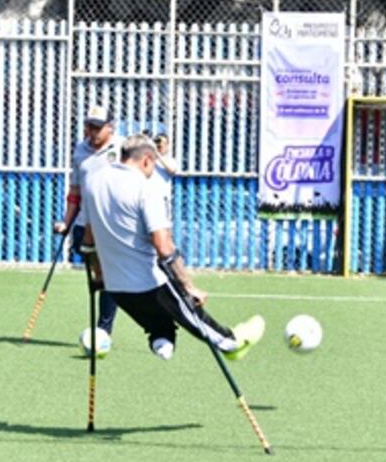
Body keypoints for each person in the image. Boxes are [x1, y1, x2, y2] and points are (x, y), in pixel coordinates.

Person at [80, 134, 264, 361]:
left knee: (160, 328)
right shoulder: (145, 188)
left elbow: (89, 239)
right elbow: (163, 245)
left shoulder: (94, 182)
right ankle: (232, 343)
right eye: (154, 164)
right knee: (197, 320)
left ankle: (162, 346)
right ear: (147, 159)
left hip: (117, 288)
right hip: (151, 284)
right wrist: (188, 287)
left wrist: (98, 273)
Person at [53, 105, 124, 334]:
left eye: (97, 127)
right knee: (98, 273)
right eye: (89, 126)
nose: (92, 132)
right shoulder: (80, 150)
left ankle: (103, 329)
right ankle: (103, 323)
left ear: (109, 127)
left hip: (112, 223)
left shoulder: (122, 148)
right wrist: (66, 221)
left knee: (105, 272)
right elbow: (75, 191)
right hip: (85, 222)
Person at [150, 133, 178, 221]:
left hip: (162, 199)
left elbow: (172, 170)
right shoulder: (148, 159)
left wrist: (158, 155)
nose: (160, 146)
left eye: (163, 144)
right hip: (148, 198)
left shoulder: (170, 160)